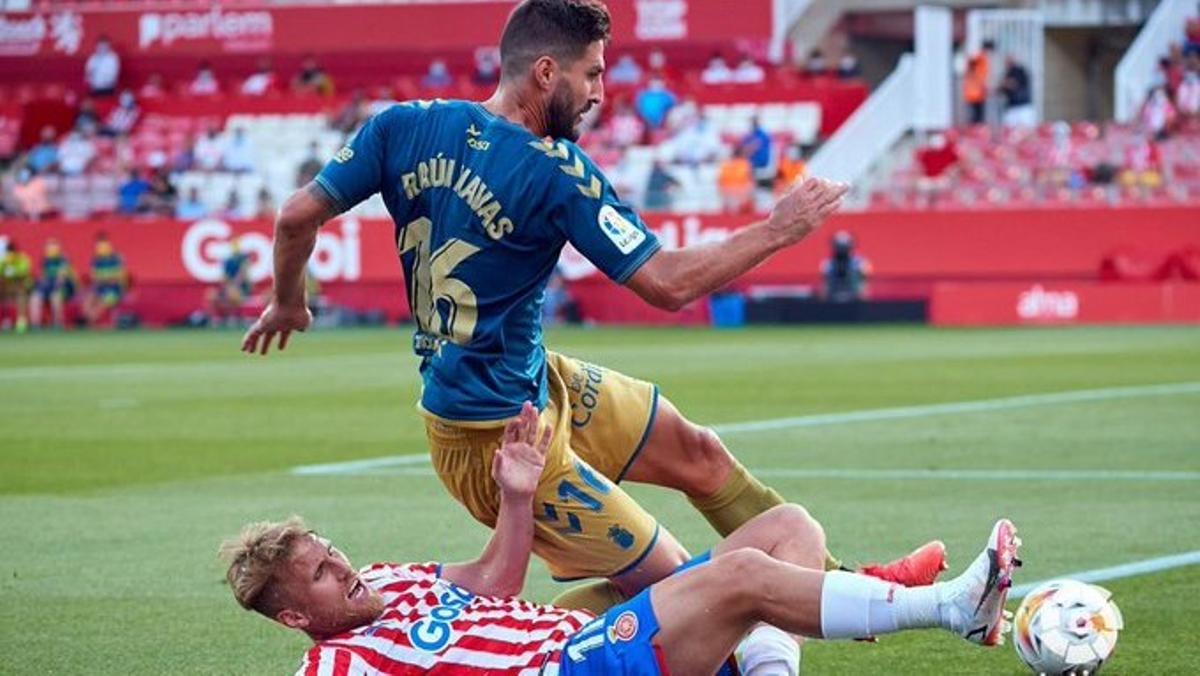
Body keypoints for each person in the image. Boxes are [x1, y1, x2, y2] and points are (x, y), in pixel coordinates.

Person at [242, 0, 936, 619]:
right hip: (496, 441)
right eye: (594, 74)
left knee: (701, 453)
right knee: (681, 594)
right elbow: (665, 284)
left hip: (538, 382)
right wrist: (779, 229)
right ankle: (495, 645)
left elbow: (297, 216)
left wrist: (287, 301)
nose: (602, 93)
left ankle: (845, 580)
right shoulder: (554, 171)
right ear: (547, 72)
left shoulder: (402, 127)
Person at [220, 405, 1022, 676]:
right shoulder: (331, 664)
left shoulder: (393, 579)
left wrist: (517, 496)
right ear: (296, 617)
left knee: (788, 528)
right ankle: (953, 608)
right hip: (571, 668)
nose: (345, 569)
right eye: (323, 576)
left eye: (332, 553)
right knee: (741, 572)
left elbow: (495, 583)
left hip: (587, 639)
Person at [82, 232, 128, 326]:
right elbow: (95, 278)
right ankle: (90, 323)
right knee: (87, 303)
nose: (100, 248)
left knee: (100, 304)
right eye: (98, 246)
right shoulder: (96, 260)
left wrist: (105, 279)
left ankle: (90, 324)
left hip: (114, 291)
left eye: (103, 245)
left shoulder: (116, 259)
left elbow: (117, 279)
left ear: (108, 246)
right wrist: (102, 280)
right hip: (100, 288)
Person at [29, 239, 76, 330]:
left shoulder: (64, 260)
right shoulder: (45, 260)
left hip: (64, 288)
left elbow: (61, 278)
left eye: (53, 248)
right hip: (48, 287)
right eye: (49, 249)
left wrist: (55, 286)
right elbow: (43, 277)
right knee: (35, 297)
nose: (51, 251)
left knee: (55, 296)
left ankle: (58, 323)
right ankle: (35, 324)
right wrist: (40, 288)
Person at [208, 238, 253, 325]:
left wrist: (234, 285)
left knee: (233, 293)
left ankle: (233, 317)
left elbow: (243, 276)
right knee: (211, 295)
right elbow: (224, 278)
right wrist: (228, 285)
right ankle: (215, 318)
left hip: (242, 289)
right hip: (229, 288)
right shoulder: (227, 261)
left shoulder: (244, 260)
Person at [821, 231, 871, 302]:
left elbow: (865, 288)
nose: (842, 251)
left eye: (844, 247)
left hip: (855, 301)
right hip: (833, 300)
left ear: (850, 247)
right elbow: (824, 288)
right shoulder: (828, 264)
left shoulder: (861, 264)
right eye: (839, 247)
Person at [0, 241, 33, 333]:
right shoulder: (3, 261)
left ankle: (21, 321)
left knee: (21, 294)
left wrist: (12, 272)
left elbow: (23, 275)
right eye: (8, 253)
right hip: (7, 288)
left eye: (11, 253)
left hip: (22, 288)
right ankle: (4, 320)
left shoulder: (22, 259)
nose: (9, 255)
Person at [999, 55, 1035, 128]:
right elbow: (1003, 89)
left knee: (1025, 129)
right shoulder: (1007, 73)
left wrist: (1005, 83)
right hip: (1012, 107)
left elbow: (1013, 84)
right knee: (1009, 129)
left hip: (1023, 107)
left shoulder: (1020, 71)